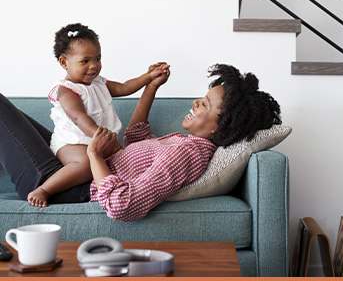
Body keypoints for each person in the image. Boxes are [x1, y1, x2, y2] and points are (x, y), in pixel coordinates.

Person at [0, 64, 281, 222]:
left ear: (222, 126)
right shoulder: (184, 142)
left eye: (205, 104)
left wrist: (95, 156)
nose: (195, 102)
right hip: (73, 169)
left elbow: (124, 205)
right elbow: (136, 137)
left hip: (64, 186)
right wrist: (151, 87)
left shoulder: (188, 154)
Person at [28, 23, 169, 208]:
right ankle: (44, 190)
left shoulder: (99, 83)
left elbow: (124, 87)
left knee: (110, 164)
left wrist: (148, 77)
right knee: (86, 164)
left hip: (96, 142)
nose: (93, 66)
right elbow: (78, 118)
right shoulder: (67, 90)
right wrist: (104, 137)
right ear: (64, 63)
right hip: (71, 143)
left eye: (98, 58)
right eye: (85, 61)